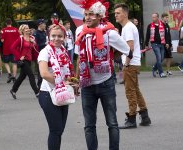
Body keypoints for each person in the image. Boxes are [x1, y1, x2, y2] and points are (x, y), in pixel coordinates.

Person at [75, 0, 132, 149]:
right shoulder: (79, 31)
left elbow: (126, 49)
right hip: (87, 85)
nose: (87, 17)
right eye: (86, 14)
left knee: (112, 123)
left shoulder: (109, 33)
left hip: (106, 82)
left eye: (91, 14)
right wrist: (76, 80)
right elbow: (78, 57)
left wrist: (111, 56)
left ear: (100, 15)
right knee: (89, 125)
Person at [38, 21, 76, 150]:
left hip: (62, 92)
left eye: (60, 36)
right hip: (48, 94)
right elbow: (44, 73)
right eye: (53, 36)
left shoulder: (63, 51)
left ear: (64, 37)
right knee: (55, 130)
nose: (56, 39)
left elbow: (67, 72)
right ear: (49, 36)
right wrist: (62, 83)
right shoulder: (45, 52)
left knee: (59, 130)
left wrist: (72, 81)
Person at [114, 3, 152, 129]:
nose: (116, 15)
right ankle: (145, 116)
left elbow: (129, 48)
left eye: (118, 13)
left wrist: (126, 64)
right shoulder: (127, 27)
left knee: (130, 92)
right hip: (134, 63)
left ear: (125, 14)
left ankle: (131, 119)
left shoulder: (128, 28)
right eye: (115, 13)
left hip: (130, 64)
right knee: (135, 90)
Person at [10, 24, 40, 99]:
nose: (28, 29)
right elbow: (12, 48)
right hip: (23, 60)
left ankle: (13, 90)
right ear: (22, 31)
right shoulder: (20, 39)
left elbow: (35, 49)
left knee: (22, 77)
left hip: (29, 59)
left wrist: (34, 43)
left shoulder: (32, 38)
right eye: (26, 28)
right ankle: (37, 92)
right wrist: (19, 57)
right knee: (31, 75)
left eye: (28, 28)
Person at [145, 13, 167, 78]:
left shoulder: (162, 25)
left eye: (154, 17)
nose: (153, 18)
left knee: (162, 58)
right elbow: (147, 35)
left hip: (162, 43)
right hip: (154, 44)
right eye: (152, 17)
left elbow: (166, 34)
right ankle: (161, 73)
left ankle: (154, 68)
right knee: (159, 57)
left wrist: (167, 43)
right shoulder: (150, 25)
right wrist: (146, 44)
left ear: (157, 17)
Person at [0, 18, 19, 83]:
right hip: (14, 49)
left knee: (6, 62)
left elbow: (2, 40)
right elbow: (18, 39)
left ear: (6, 23)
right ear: (11, 22)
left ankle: (9, 73)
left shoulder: (3, 30)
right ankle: (14, 77)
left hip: (6, 49)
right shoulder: (16, 30)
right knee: (14, 63)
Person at [33, 19, 47, 88]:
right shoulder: (36, 33)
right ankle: (39, 84)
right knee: (40, 70)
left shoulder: (45, 32)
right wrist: (44, 44)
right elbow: (36, 45)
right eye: (44, 24)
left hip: (46, 52)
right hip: (40, 53)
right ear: (40, 25)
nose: (45, 25)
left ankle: (44, 83)